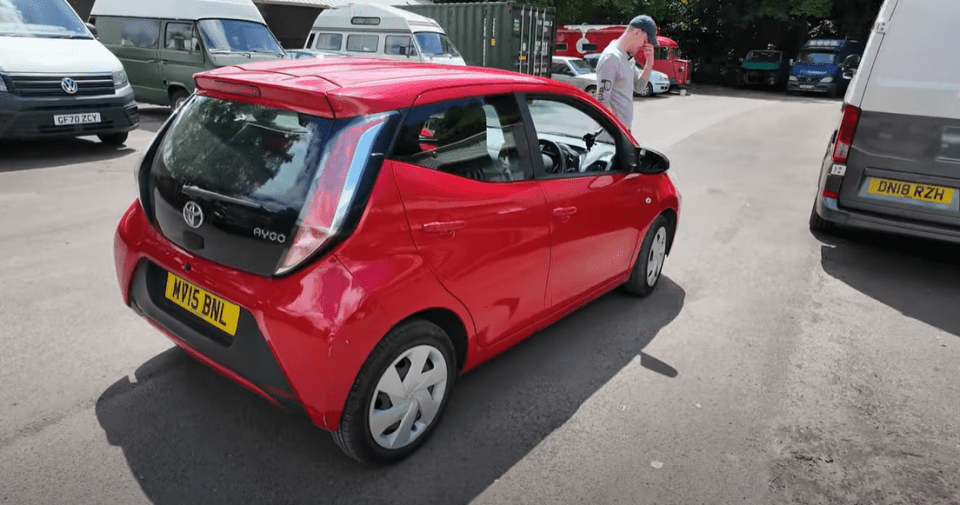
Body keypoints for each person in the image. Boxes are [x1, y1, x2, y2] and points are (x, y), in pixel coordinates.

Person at [595, 15, 658, 131]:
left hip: (623, 130)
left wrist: (649, 64)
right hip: (612, 133)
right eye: (645, 40)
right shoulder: (611, 57)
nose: (643, 45)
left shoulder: (627, 57)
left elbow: (639, 87)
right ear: (637, 32)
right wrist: (618, 132)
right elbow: (602, 100)